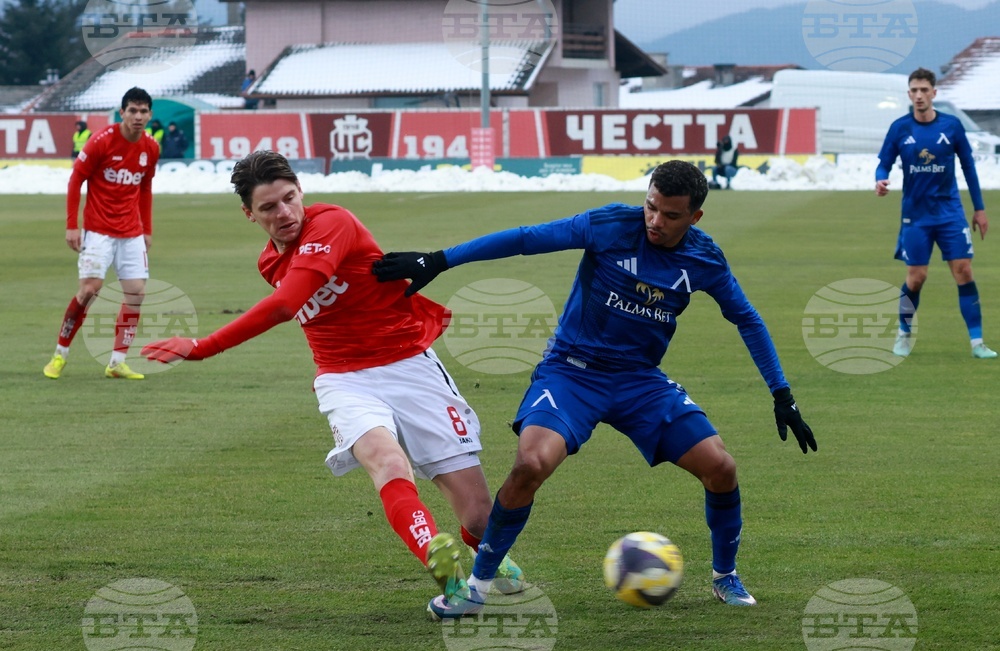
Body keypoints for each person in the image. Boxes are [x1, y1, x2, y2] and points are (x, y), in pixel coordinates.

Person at [373, 159, 817, 619]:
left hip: (639, 381)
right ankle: (478, 586)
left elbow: (747, 318)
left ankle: (725, 576)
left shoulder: (703, 258)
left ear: (695, 217)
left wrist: (781, 393)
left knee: (721, 467)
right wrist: (441, 259)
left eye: (670, 215)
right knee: (530, 463)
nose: (655, 222)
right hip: (571, 372)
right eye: (650, 207)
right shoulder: (610, 225)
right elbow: (527, 239)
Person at [139, 150, 525, 608]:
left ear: (301, 191)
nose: (284, 213)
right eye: (268, 208)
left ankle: (484, 549)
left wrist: (204, 346)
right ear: (249, 215)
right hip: (343, 378)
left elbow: (286, 306)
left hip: (410, 366)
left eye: (289, 198)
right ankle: (438, 559)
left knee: (480, 517)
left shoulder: (332, 223)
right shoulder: (269, 262)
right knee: (386, 461)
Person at [875, 67, 995, 359]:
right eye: (914, 91)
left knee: (964, 271)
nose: (919, 96)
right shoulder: (900, 128)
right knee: (916, 277)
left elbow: (968, 167)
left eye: (924, 90)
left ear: (934, 93)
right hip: (916, 216)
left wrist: (979, 209)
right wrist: (880, 179)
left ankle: (977, 343)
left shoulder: (952, 126)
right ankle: (903, 334)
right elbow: (883, 163)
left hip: (950, 213)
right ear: (909, 94)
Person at [43, 87, 160, 380]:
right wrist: (72, 225)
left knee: (136, 293)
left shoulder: (150, 148)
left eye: (143, 111)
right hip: (98, 230)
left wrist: (146, 228)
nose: (138, 116)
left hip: (131, 232)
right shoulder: (101, 141)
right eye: (132, 110)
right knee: (90, 290)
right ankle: (60, 354)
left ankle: (117, 362)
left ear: (150, 114)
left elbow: (145, 188)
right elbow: (76, 180)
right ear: (122, 113)